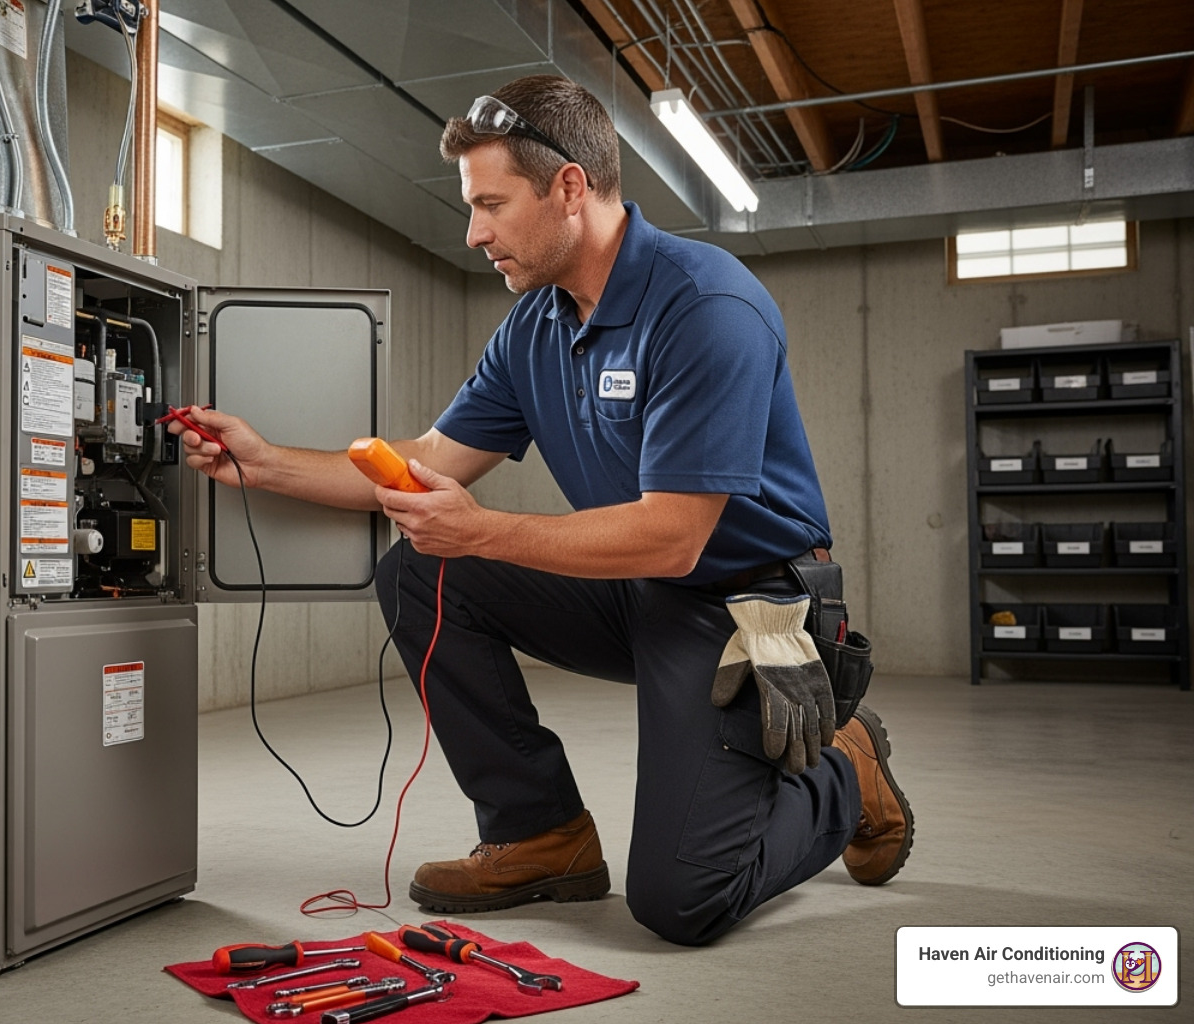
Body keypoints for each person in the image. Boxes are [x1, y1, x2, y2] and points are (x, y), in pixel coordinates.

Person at [168, 74, 913, 946]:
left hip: (748, 607)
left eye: (491, 204)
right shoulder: (536, 327)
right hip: (634, 586)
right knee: (420, 568)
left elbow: (676, 538)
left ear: (568, 188)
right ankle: (540, 833)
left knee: (682, 901)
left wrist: (485, 529)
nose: (474, 232)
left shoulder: (705, 307)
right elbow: (432, 461)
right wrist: (268, 465)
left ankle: (844, 770)